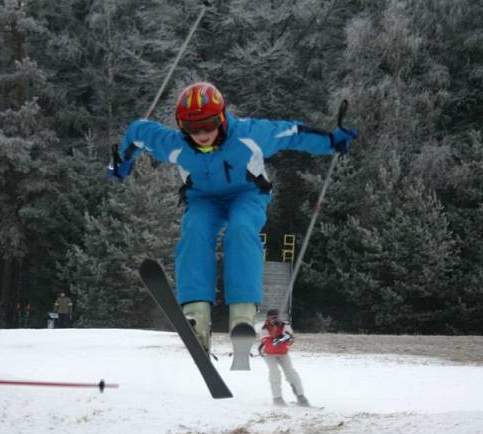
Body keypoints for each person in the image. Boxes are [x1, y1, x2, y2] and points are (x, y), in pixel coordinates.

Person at [108, 81, 357, 352]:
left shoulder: (248, 134)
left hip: (247, 195)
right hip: (203, 199)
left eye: (209, 123)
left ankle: (242, 317)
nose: (202, 133)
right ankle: (196, 317)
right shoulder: (175, 144)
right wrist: (122, 163)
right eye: (193, 128)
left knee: (241, 230)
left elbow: (292, 133)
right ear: (181, 126)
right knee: (194, 231)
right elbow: (137, 133)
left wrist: (331, 141)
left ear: (222, 117)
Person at [259, 308, 309, 407]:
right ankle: (277, 398)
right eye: (273, 318)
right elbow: (268, 344)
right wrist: (279, 340)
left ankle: (300, 397)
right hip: (268, 354)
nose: (275, 320)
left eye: (277, 317)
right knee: (275, 373)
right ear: (268, 318)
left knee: (290, 373)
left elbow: (290, 340)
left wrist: (288, 339)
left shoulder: (285, 325)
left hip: (282, 353)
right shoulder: (264, 328)